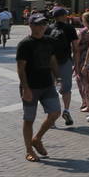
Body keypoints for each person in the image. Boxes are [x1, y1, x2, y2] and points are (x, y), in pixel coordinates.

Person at [16, 12, 61, 162]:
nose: (42, 27)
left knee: (55, 113)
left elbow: (53, 60)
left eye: (44, 24)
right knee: (29, 119)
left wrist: (58, 75)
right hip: (31, 86)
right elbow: (21, 68)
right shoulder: (24, 44)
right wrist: (25, 88)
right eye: (38, 24)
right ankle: (29, 150)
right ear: (31, 25)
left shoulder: (50, 41)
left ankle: (37, 139)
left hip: (47, 84)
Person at [44, 7, 79, 127]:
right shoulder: (69, 28)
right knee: (66, 89)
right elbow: (75, 47)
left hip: (50, 62)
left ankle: (51, 116)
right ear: (63, 16)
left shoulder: (48, 28)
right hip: (65, 61)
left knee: (50, 88)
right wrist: (76, 63)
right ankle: (66, 110)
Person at [74, 11, 89, 113]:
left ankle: (86, 103)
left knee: (82, 81)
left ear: (84, 21)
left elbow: (76, 49)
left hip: (83, 59)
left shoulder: (81, 32)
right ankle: (88, 102)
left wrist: (76, 64)